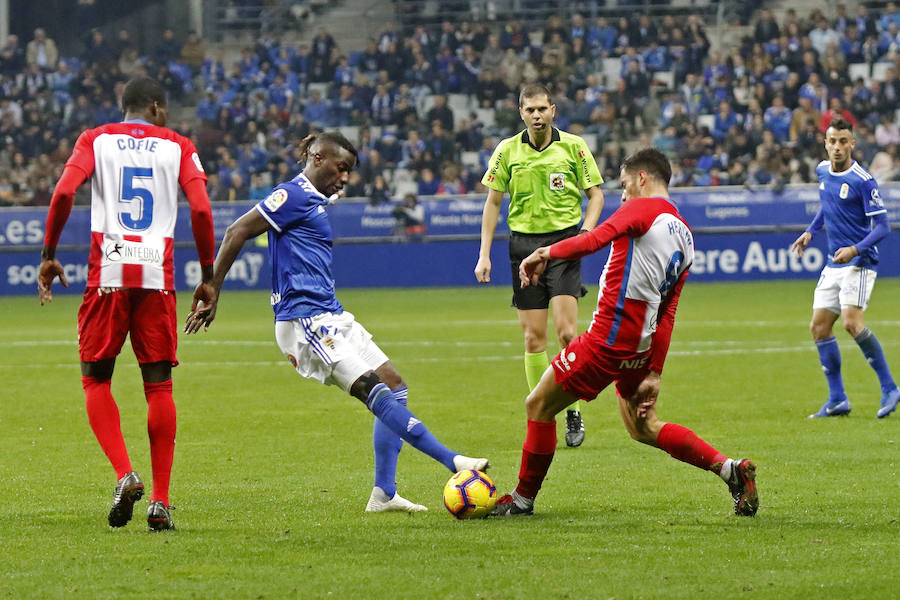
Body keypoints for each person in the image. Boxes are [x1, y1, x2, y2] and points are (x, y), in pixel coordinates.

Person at [183, 131, 489, 512]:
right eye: (340, 168)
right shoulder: (291, 194)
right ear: (315, 157)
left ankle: (384, 494)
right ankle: (454, 461)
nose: (345, 178)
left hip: (331, 314)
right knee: (374, 390)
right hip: (304, 320)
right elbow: (236, 231)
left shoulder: (312, 198)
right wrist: (213, 286)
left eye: (349, 172)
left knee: (394, 385)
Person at [490, 148, 759, 518]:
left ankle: (521, 501)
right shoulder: (684, 234)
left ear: (643, 178)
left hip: (608, 339)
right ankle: (731, 470)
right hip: (641, 345)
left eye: (624, 185)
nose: (623, 195)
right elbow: (669, 311)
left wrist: (544, 253)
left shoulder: (642, 208)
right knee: (642, 426)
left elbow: (593, 239)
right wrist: (653, 370)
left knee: (537, 405)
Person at [37, 76, 216, 530]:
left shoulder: (94, 140)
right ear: (156, 106)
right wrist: (209, 275)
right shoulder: (178, 144)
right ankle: (160, 500)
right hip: (157, 276)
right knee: (159, 388)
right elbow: (200, 210)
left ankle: (124, 474)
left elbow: (62, 193)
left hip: (108, 276)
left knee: (95, 380)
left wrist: (48, 255)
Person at [475, 83, 605, 447]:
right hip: (523, 246)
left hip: (564, 245)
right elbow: (492, 204)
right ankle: (542, 413)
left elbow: (595, 195)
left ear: (553, 110)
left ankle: (572, 408)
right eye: (529, 110)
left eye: (541, 109)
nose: (536, 115)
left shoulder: (574, 147)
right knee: (534, 338)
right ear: (521, 113)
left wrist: (586, 234)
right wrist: (484, 254)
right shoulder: (506, 152)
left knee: (566, 334)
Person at [790, 118, 900, 419]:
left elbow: (883, 226)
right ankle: (837, 398)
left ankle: (890, 387)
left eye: (843, 142)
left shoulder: (863, 180)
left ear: (852, 144)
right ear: (825, 144)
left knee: (852, 323)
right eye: (832, 141)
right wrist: (811, 231)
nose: (837, 147)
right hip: (832, 262)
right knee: (819, 327)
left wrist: (855, 248)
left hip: (859, 263)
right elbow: (827, 205)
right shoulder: (822, 170)